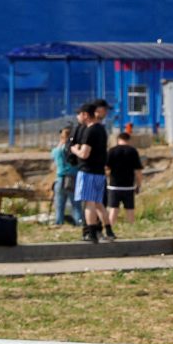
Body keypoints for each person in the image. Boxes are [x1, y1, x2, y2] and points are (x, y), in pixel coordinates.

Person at [71, 100, 114, 243]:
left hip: (88, 171)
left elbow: (84, 154)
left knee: (89, 204)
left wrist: (74, 149)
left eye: (80, 114)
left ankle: (91, 233)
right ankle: (108, 230)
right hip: (99, 172)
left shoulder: (90, 130)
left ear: (85, 115)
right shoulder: (102, 129)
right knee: (99, 204)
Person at [105, 126, 145, 228]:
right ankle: (132, 230)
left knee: (113, 209)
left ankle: (110, 230)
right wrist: (139, 185)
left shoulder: (112, 151)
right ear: (128, 140)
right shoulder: (133, 151)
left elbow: (106, 168)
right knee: (130, 209)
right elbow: (138, 171)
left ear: (118, 140)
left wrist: (108, 176)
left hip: (114, 185)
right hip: (128, 186)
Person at [51, 124, 77, 227]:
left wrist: (60, 142)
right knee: (76, 205)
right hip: (72, 178)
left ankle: (58, 223)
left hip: (60, 178)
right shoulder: (73, 148)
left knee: (59, 205)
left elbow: (53, 155)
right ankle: (78, 222)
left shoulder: (57, 150)